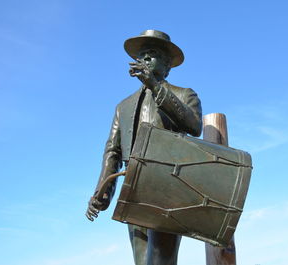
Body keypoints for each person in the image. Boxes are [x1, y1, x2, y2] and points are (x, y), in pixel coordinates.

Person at [85, 30, 202, 265]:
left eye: (154, 54)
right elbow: (113, 151)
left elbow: (194, 126)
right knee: (141, 260)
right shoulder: (123, 106)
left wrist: (155, 86)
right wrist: (102, 192)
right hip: (133, 189)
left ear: (168, 66)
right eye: (143, 55)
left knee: (160, 261)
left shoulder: (183, 94)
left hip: (169, 185)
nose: (146, 58)